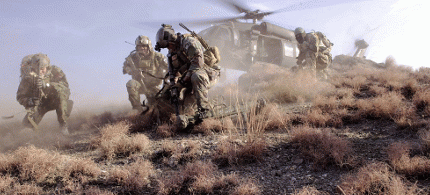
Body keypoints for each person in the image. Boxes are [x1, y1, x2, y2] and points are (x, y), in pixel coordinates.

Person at [154, 24, 220, 122]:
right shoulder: (172, 53)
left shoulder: (188, 42)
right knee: (171, 95)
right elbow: (174, 73)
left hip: (208, 73)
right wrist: (174, 86)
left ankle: (205, 110)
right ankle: (173, 118)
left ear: (171, 39)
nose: (168, 48)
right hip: (190, 78)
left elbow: (198, 62)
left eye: (168, 45)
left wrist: (182, 83)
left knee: (197, 76)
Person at [16, 53, 73, 135]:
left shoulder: (55, 71)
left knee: (61, 96)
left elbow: (65, 88)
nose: (40, 72)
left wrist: (47, 85)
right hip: (39, 105)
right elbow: (20, 96)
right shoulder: (28, 78)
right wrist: (30, 101)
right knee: (26, 127)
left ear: (47, 67)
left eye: (43, 69)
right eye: (38, 69)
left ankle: (63, 126)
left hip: (54, 101)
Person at [123, 35, 168, 113]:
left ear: (149, 46)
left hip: (154, 86)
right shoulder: (133, 58)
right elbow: (125, 68)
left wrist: (163, 73)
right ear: (137, 47)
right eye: (140, 46)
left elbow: (169, 68)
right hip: (139, 85)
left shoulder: (158, 57)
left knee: (159, 105)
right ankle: (137, 110)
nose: (142, 48)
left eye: (144, 46)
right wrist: (132, 71)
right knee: (131, 84)